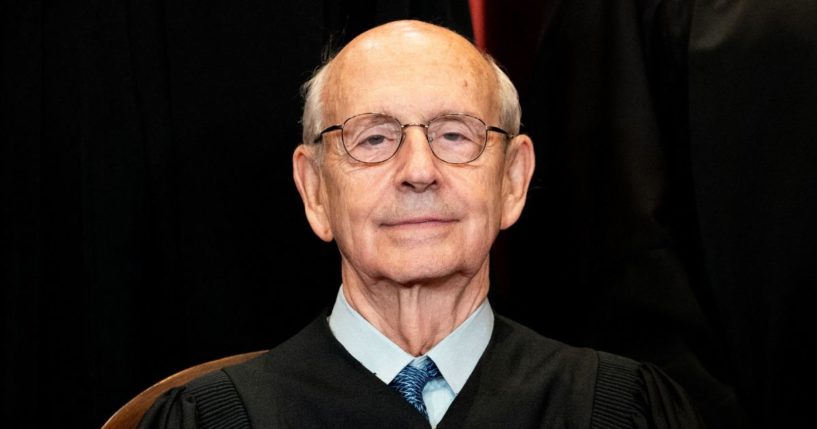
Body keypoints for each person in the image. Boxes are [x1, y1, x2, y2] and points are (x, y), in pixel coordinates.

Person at [139, 20, 705, 428]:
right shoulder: (213, 419)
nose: (418, 171)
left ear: (513, 180)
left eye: (455, 134)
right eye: (374, 138)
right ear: (315, 189)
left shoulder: (619, 409)